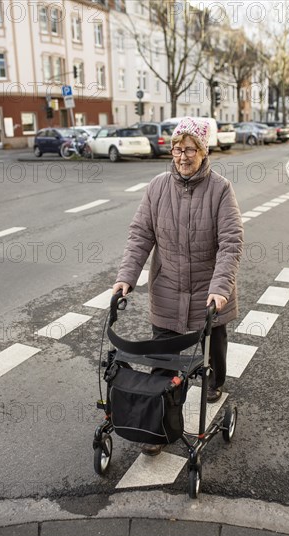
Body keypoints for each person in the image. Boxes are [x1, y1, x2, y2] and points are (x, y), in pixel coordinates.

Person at [112, 117, 244, 455]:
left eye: (190, 149)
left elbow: (230, 242)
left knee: (213, 348)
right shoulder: (157, 187)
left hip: (209, 290)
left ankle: (215, 381)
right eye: (177, 148)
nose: (182, 156)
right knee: (164, 362)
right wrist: (126, 277)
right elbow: (140, 235)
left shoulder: (220, 189)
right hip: (168, 290)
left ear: (203, 150)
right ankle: (156, 429)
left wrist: (220, 288)